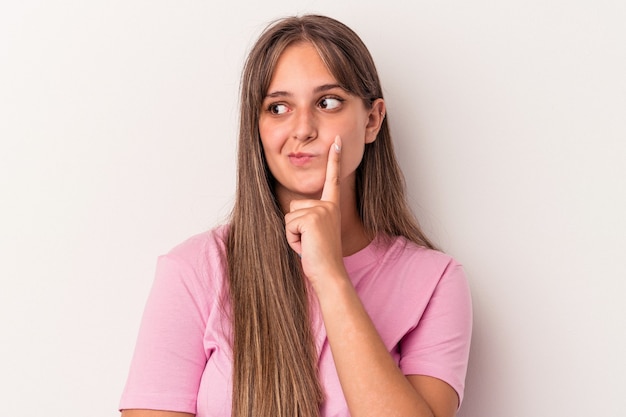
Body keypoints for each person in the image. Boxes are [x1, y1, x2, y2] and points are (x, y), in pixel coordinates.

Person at [119, 14, 472, 417]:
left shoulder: (435, 282)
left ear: (372, 120)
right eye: (278, 107)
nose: (302, 128)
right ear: (258, 126)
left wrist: (331, 277)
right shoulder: (193, 271)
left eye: (327, 102)